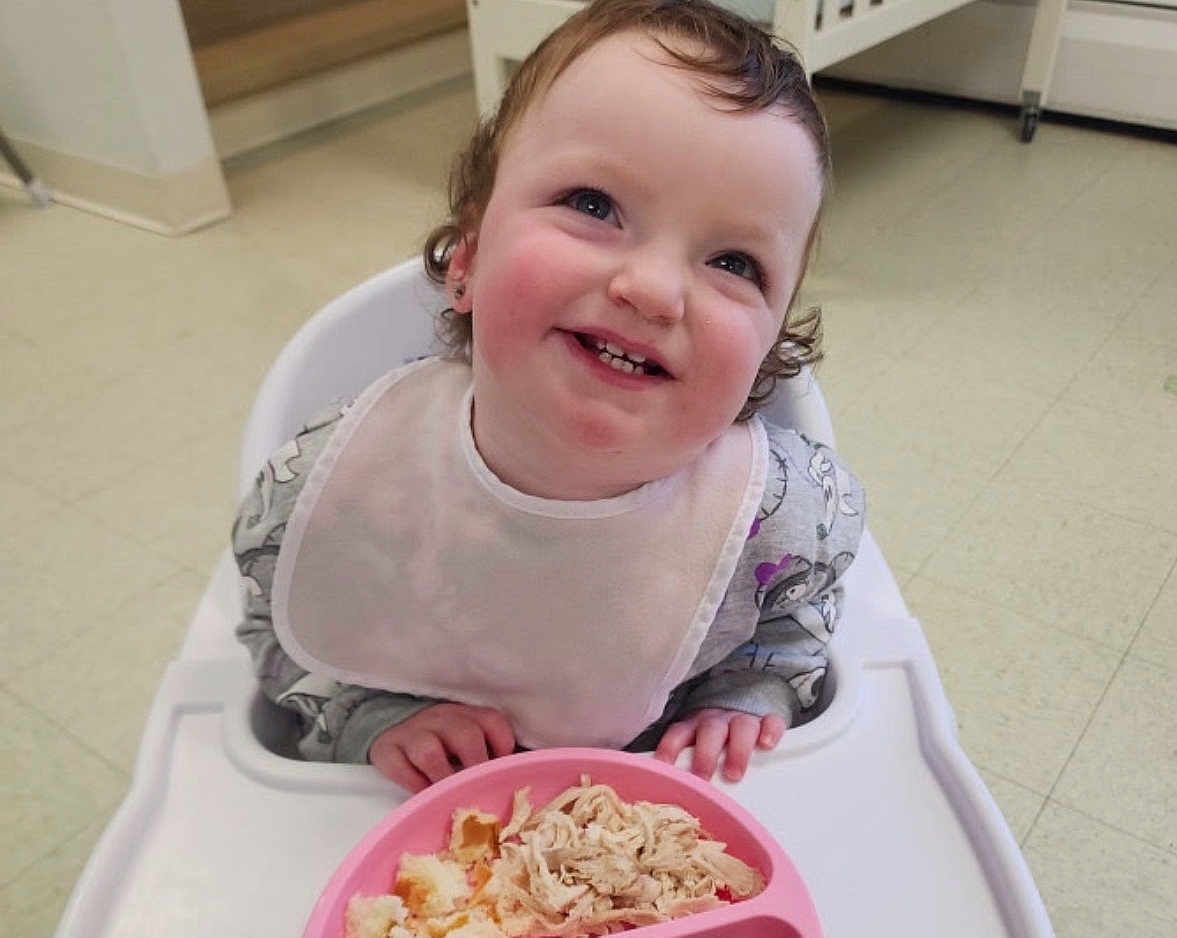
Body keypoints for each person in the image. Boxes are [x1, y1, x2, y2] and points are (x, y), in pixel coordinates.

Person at [232, 0, 864, 791]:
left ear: (766, 351)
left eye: (734, 263)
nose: (653, 289)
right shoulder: (339, 480)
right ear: (466, 260)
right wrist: (369, 716)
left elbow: (791, 631)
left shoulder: (775, 519)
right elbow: (283, 630)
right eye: (593, 205)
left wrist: (748, 694)